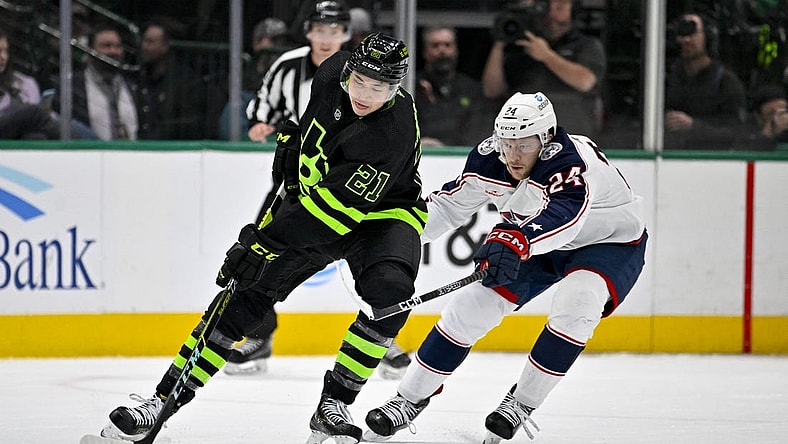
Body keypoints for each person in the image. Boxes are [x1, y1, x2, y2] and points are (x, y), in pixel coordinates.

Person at [96, 33, 427, 444]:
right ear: (348, 71)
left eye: (379, 88)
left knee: (390, 294)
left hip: (382, 217)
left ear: (396, 88)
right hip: (316, 203)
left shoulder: (390, 131)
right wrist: (291, 149)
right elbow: (310, 143)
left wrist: (261, 241)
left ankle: (334, 405)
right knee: (243, 297)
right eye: (360, 81)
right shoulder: (330, 73)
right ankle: (160, 402)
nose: (365, 93)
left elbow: (330, 218)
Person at [361, 91, 647, 443]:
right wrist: (394, 238)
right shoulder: (489, 158)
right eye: (506, 142)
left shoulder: (570, 161)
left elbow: (567, 217)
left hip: (608, 242)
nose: (512, 154)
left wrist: (517, 240)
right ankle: (407, 399)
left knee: (579, 302)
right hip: (533, 239)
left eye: (523, 145)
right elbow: (449, 207)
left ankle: (521, 404)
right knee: (469, 308)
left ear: (546, 139)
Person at [232, 0, 412, 378]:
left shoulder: (365, 80)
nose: (326, 37)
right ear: (308, 32)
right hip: (299, 179)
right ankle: (259, 334)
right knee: (261, 257)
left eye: (335, 31)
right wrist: (271, 129)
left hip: (346, 184)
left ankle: (383, 337)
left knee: (375, 263)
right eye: (320, 29)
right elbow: (259, 114)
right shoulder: (290, 66)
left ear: (346, 35)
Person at [482, 0, 606, 138]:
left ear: (573, 10)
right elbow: (492, 91)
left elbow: (585, 82)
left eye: (559, 7)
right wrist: (501, 41)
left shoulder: (587, 45)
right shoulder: (519, 47)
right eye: (545, 7)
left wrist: (547, 56)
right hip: (523, 137)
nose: (552, 14)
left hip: (572, 135)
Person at [664, 13, 747, 150]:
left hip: (711, 161)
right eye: (682, 34)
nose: (686, 40)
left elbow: (736, 134)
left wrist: (693, 127)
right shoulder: (666, 77)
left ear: (708, 38)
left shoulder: (725, 82)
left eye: (692, 34)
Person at [54, 24, 138, 140]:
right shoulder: (71, 87)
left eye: (118, 46)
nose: (113, 51)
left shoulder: (133, 87)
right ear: (90, 51)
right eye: (106, 46)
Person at [416, 25, 492, 147]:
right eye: (435, 45)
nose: (442, 50)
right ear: (425, 52)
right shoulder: (412, 87)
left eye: (447, 45)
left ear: (456, 50)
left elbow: (478, 131)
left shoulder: (472, 89)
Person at [137, 20, 206, 140]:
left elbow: (186, 122)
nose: (144, 46)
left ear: (165, 46)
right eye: (144, 41)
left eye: (150, 42)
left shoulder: (183, 81)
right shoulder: (139, 76)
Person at [0, 27, 59, 139]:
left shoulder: (22, 82)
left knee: (35, 137)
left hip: (14, 137)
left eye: (5, 51)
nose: (3, 57)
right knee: (33, 112)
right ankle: (78, 147)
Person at [738, 83, 788, 150]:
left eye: (782, 112)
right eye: (772, 114)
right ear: (757, 115)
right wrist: (768, 133)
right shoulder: (745, 132)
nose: (778, 118)